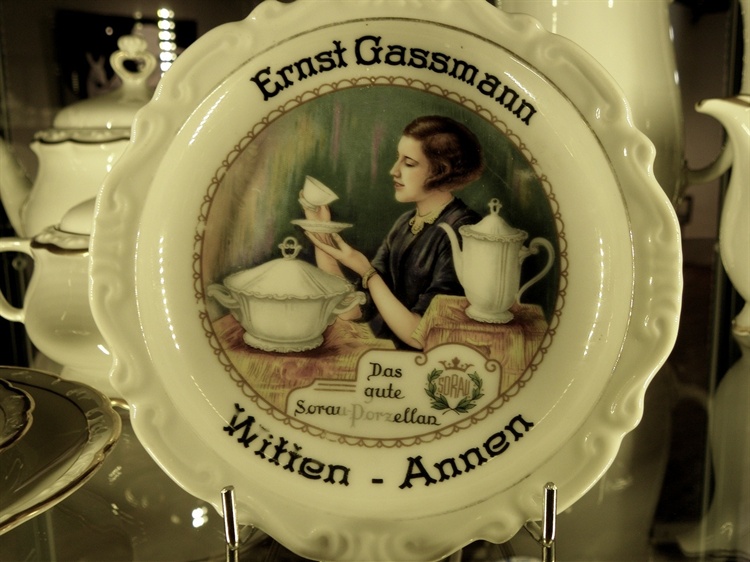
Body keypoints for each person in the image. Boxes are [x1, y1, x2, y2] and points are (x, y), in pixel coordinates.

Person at [305, 115, 484, 349]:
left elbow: (421, 335)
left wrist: (366, 271)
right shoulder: (405, 224)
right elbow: (353, 309)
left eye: (408, 163)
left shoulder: (465, 230)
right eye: (397, 159)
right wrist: (321, 232)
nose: (393, 171)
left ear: (441, 171)